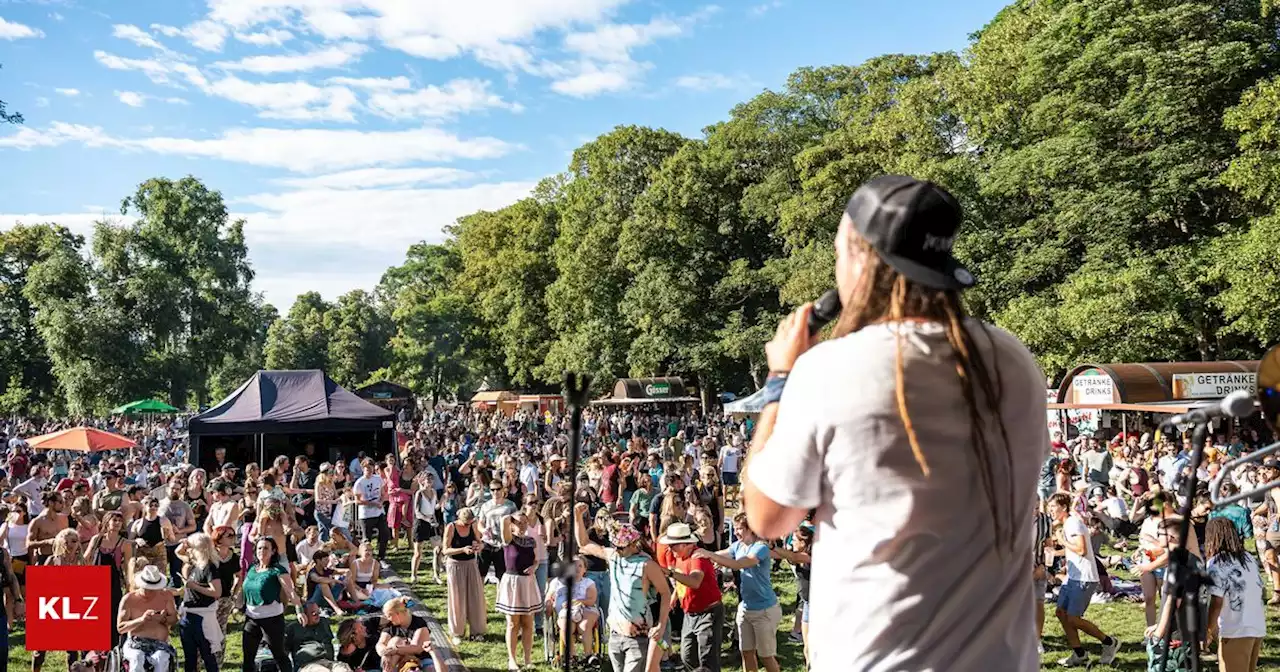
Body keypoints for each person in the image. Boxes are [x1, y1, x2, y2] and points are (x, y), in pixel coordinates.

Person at [740, 176, 1051, 671]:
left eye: (839, 250)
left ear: (862, 258)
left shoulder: (831, 370)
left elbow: (767, 518)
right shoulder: (1012, 359)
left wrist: (780, 379)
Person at [574, 502, 671, 672]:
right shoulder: (613, 557)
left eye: (621, 547)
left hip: (638, 636)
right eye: (616, 546)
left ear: (633, 544)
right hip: (615, 634)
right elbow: (584, 543)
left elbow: (665, 593)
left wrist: (661, 625)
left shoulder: (647, 565)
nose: (617, 550)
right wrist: (577, 518)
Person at [695, 514, 780, 672]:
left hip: (764, 610)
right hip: (746, 608)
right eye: (735, 528)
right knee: (746, 652)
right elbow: (723, 553)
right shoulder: (737, 545)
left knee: (766, 656)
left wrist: (710, 555)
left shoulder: (760, 547)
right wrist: (699, 553)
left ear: (751, 529)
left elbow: (738, 564)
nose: (736, 532)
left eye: (740, 529)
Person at [1048, 492, 1120, 667]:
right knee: (1061, 613)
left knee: (1073, 618)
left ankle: (1110, 642)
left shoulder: (1073, 523)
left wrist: (1062, 541)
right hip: (1073, 577)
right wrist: (1053, 553)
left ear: (1064, 507)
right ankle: (1079, 654)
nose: (1050, 511)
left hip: (1084, 578)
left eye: (1053, 507)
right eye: (1048, 507)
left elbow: (1081, 550)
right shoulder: (1067, 524)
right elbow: (1072, 550)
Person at [1204, 518, 1265, 671]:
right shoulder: (1249, 558)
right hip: (1256, 627)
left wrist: (1208, 632)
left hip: (1236, 630)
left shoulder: (1217, 563)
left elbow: (1217, 602)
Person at [661, 522, 723, 672]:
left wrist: (670, 573)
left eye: (673, 545)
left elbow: (695, 581)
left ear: (685, 544)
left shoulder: (697, 557)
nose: (670, 549)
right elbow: (683, 579)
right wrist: (675, 594)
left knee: (707, 660)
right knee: (687, 655)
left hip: (708, 613)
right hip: (690, 613)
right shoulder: (680, 556)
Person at [242, 537, 304, 672]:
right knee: (248, 657)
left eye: (266, 548)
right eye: (259, 548)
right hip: (251, 618)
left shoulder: (277, 570)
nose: (262, 551)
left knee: (279, 655)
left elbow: (290, 591)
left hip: (272, 620)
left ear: (273, 551)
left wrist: (299, 610)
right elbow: (245, 589)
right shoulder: (252, 568)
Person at [495, 506, 540, 671]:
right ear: (512, 524)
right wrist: (511, 517)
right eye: (519, 523)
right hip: (513, 582)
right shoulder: (509, 539)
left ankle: (528, 658)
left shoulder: (531, 540)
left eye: (525, 523)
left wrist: (534, 567)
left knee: (528, 622)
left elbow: (536, 560)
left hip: (527, 582)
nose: (522, 526)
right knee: (513, 623)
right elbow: (502, 522)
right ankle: (512, 660)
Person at [117, 565, 178, 672]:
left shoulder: (166, 596)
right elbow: (121, 628)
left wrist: (164, 620)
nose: (151, 592)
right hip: (135, 643)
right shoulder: (129, 599)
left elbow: (174, 619)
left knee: (161, 659)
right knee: (137, 658)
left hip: (160, 643)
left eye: (154, 589)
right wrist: (141, 619)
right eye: (148, 589)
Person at [176, 533, 223, 672]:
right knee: (190, 657)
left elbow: (216, 592)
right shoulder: (195, 564)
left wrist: (194, 586)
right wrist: (185, 543)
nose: (188, 550)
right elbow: (177, 552)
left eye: (191, 547)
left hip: (201, 616)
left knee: (207, 655)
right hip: (189, 614)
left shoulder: (210, 567)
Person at [441, 507, 485, 644]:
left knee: (475, 597)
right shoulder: (451, 527)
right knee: (457, 598)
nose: (468, 525)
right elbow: (445, 550)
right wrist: (462, 549)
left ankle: (477, 631)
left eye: (470, 522)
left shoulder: (473, 526)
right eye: (466, 523)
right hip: (455, 565)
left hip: (471, 564)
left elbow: (480, 542)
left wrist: (478, 547)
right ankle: (457, 632)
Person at [544, 557, 600, 661]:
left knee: (584, 625)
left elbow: (591, 600)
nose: (577, 569)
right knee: (567, 626)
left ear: (585, 569)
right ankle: (572, 656)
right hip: (565, 612)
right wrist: (548, 604)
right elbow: (549, 596)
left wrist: (578, 602)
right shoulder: (557, 582)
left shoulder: (588, 582)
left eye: (580, 566)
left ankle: (589, 656)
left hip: (586, 609)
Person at [377, 597, 445, 672]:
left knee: (430, 669)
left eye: (389, 615)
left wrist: (395, 649)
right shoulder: (390, 625)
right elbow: (380, 643)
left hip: (420, 659)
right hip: (397, 661)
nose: (388, 619)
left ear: (398, 614)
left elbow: (416, 649)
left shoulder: (419, 624)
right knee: (395, 641)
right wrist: (385, 653)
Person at [353, 458, 388, 561]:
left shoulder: (378, 479)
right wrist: (371, 503)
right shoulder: (359, 482)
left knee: (385, 533)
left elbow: (383, 493)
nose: (369, 470)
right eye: (367, 468)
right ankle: (365, 557)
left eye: (371, 467)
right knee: (366, 538)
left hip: (379, 512)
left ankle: (381, 556)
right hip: (366, 514)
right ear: (363, 469)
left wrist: (381, 502)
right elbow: (357, 501)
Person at [286, 601, 335, 670]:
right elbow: (284, 652)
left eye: (319, 613)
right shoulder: (294, 628)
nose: (318, 616)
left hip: (329, 662)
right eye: (314, 614)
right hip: (309, 665)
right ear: (304, 614)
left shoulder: (324, 623)